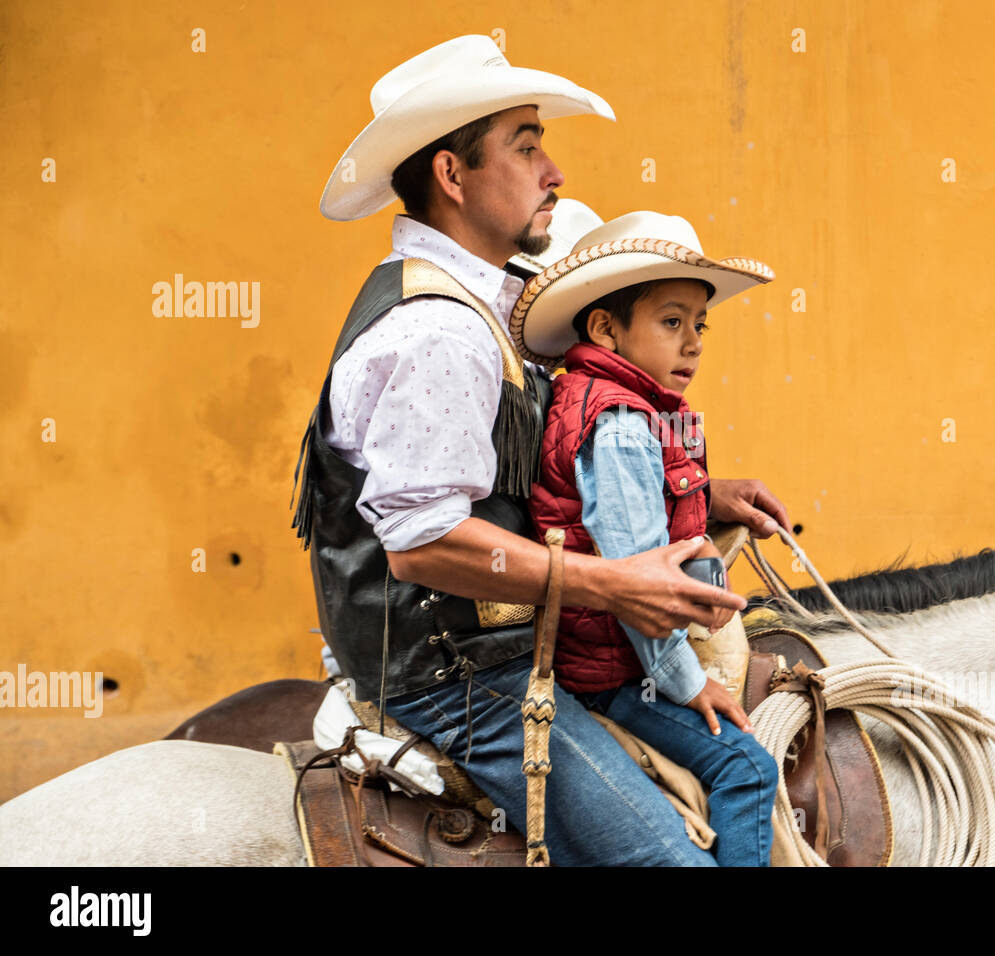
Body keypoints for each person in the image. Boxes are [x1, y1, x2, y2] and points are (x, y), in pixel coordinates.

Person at [291, 36, 792, 866]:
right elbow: (420, 542)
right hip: (461, 685)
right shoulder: (442, 330)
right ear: (452, 176)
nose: (553, 170)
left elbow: (515, 483)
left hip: (493, 656)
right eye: (527, 147)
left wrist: (701, 497)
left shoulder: (473, 305)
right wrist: (615, 583)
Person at [513, 210, 781, 865]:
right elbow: (640, 583)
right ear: (607, 328)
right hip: (618, 670)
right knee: (748, 769)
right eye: (671, 322)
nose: (692, 343)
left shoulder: (613, 402)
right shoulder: (625, 426)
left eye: (699, 324)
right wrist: (687, 686)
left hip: (622, 653)